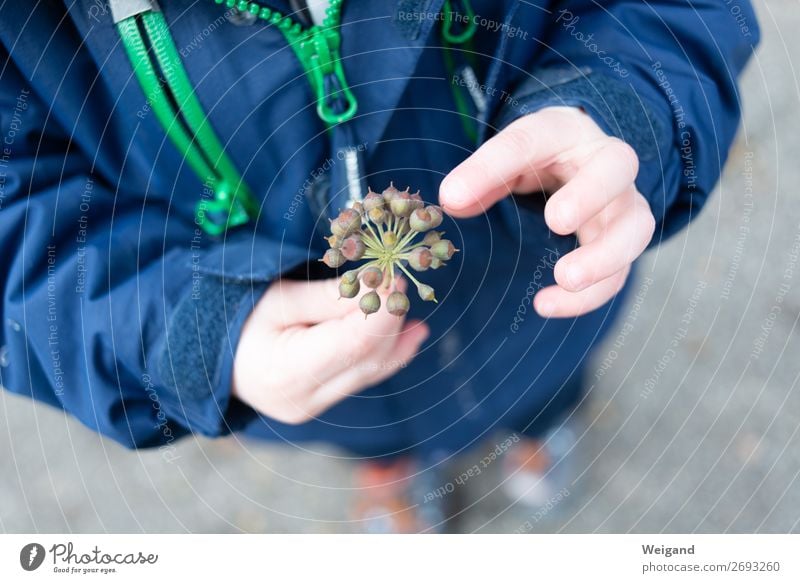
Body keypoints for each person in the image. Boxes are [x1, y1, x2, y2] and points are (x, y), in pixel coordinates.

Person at [0, 0, 758, 532]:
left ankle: (539, 427)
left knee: (549, 381)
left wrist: (618, 111)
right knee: (359, 431)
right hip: (301, 371)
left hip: (538, 299)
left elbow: (679, 14)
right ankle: (388, 475)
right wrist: (194, 325)